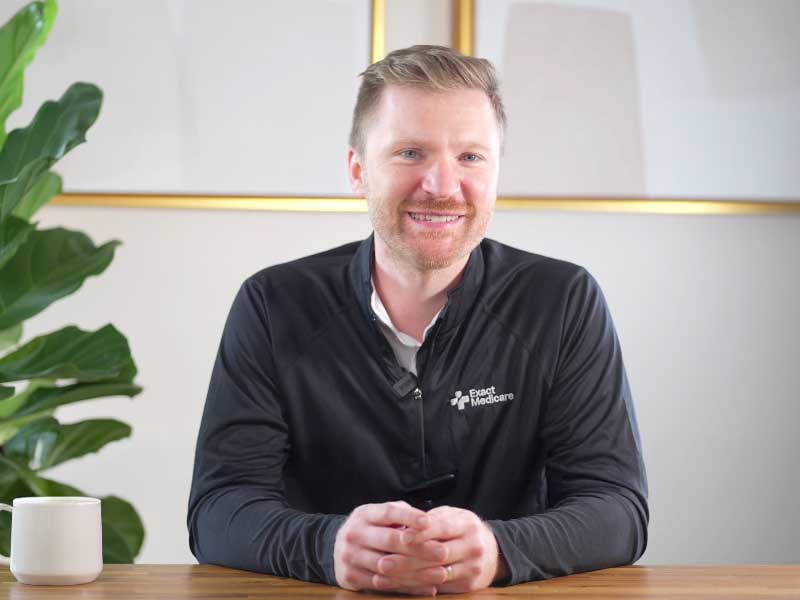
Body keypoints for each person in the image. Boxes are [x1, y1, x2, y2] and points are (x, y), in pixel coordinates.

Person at [188, 45, 648, 596]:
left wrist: (500, 550)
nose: (443, 185)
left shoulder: (563, 301)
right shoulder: (272, 304)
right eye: (411, 152)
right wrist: (330, 547)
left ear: (497, 172)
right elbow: (219, 509)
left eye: (471, 157)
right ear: (358, 171)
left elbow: (618, 508)